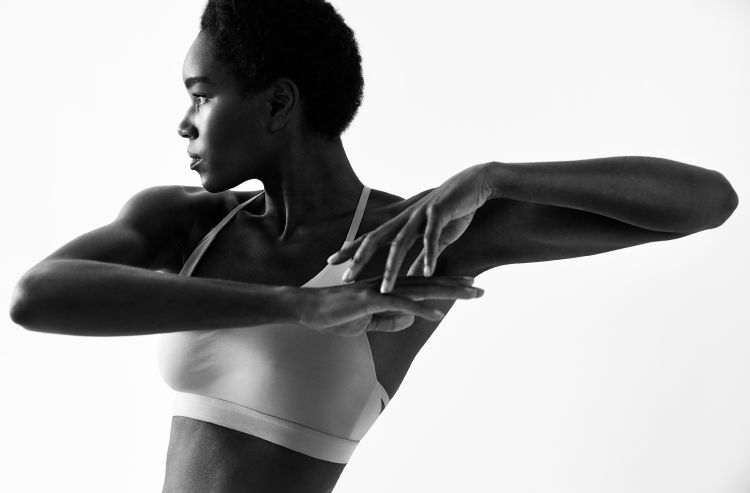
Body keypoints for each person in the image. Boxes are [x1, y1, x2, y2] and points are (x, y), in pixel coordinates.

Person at [8, 1, 739, 492]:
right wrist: (294, 306)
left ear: (277, 103)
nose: (185, 122)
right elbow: (36, 297)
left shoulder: (417, 239)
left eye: (202, 93)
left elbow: (707, 202)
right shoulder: (185, 223)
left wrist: (493, 177)